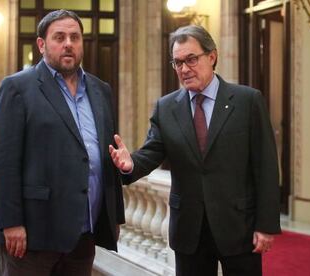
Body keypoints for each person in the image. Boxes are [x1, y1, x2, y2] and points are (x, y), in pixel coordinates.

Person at [109, 25, 281, 276]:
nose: (184, 69)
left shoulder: (247, 101)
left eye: (191, 59)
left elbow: (265, 167)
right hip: (189, 230)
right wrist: (130, 164)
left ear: (212, 57)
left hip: (238, 227)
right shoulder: (166, 108)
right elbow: (152, 152)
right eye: (178, 63)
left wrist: (266, 225)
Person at [0, 10, 124, 275]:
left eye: (75, 37)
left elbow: (107, 155)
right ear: (41, 44)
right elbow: (1, 163)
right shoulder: (17, 88)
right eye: (59, 37)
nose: (68, 43)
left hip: (84, 233)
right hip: (33, 234)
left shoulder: (100, 90)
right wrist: (11, 223)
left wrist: (113, 215)